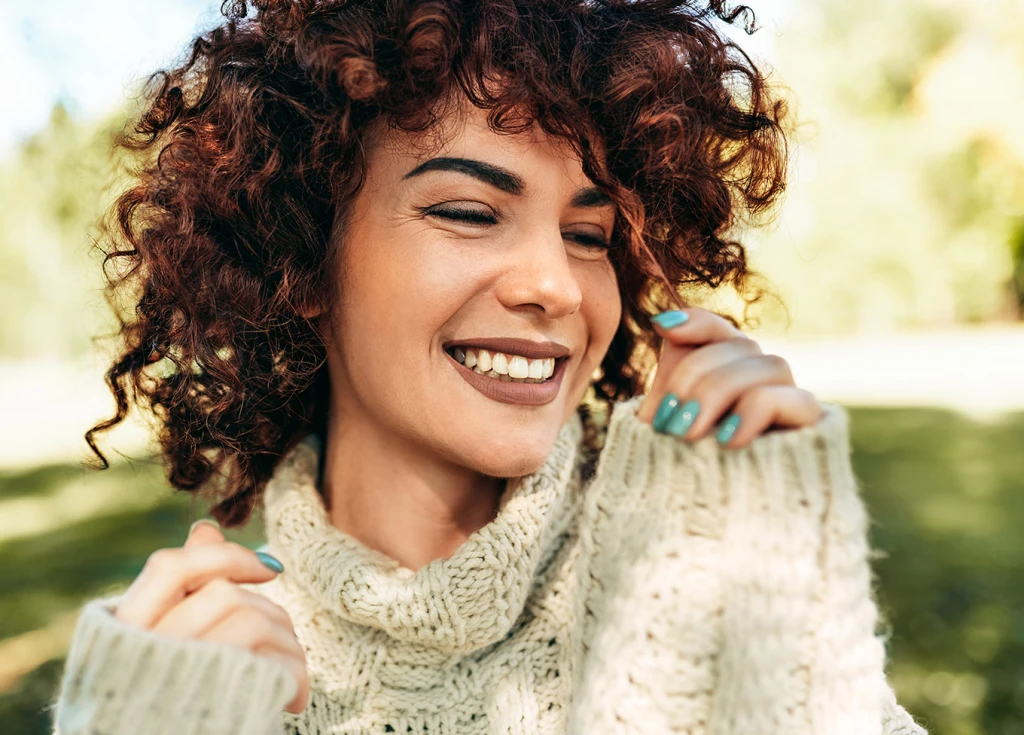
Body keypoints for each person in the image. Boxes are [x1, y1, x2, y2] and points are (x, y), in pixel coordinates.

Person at [50, 0, 926, 733]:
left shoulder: (693, 565)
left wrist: (776, 636)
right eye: (471, 212)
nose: (557, 286)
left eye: (589, 236)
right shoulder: (199, 676)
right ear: (306, 258)